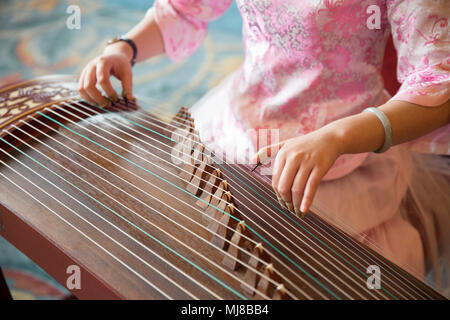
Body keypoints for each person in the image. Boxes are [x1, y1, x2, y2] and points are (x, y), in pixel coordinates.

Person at [78, 0, 450, 296]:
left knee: (273, 276)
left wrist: (338, 137)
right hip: (234, 121)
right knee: (173, 236)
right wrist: (124, 48)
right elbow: (184, 8)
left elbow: (438, 79)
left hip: (340, 154)